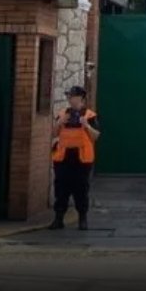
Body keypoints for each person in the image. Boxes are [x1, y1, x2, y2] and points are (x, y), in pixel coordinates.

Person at [49, 86, 99, 231]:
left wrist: (87, 126)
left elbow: (96, 136)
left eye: (72, 96)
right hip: (63, 158)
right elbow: (54, 133)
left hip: (82, 159)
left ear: (80, 98)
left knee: (81, 189)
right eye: (69, 96)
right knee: (61, 189)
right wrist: (59, 123)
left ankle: (82, 219)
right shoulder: (63, 113)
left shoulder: (90, 115)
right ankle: (58, 219)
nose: (69, 98)